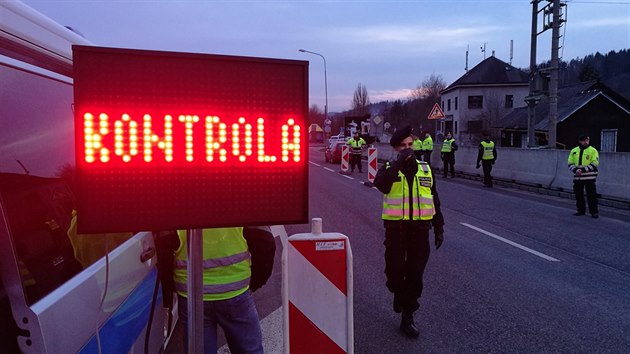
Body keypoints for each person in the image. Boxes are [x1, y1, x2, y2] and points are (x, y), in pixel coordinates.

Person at [374, 126, 445, 339]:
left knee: (415, 275)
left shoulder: (425, 168)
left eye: (410, 145)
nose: (407, 149)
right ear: (396, 148)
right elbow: (383, 186)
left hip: (420, 230)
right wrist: (397, 164)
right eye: (403, 146)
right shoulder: (387, 167)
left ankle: (408, 316)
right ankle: (397, 292)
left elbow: (434, 198)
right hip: (396, 230)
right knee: (394, 274)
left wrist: (439, 226)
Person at [172, 227, 274, 354]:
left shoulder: (175, 206)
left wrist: (171, 289)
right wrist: (255, 282)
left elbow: (163, 245)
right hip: (235, 291)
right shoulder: (240, 206)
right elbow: (264, 239)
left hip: (192, 295)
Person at [568, 134, 599, 218]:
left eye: (587, 140)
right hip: (578, 177)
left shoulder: (593, 150)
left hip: (590, 177)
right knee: (578, 195)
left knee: (591, 195)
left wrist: (582, 170)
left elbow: (595, 163)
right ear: (580, 141)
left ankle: (594, 212)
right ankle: (581, 210)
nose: (586, 142)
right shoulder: (574, 151)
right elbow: (570, 163)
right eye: (584, 140)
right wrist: (575, 170)